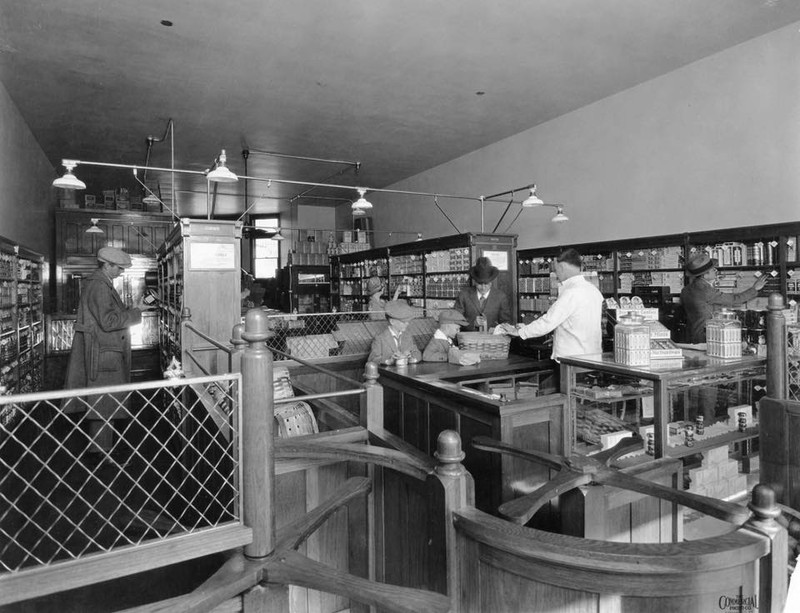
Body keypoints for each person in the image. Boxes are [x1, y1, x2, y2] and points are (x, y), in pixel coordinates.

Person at [64, 247, 148, 458]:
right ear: (107, 265)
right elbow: (109, 321)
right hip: (103, 354)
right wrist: (138, 312)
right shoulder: (99, 286)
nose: (121, 272)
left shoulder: (100, 283)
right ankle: (101, 454)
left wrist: (131, 309)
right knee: (104, 403)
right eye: (118, 268)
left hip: (103, 352)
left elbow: (108, 315)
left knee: (105, 403)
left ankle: (103, 450)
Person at [497, 248, 603, 361]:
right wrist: (557, 337)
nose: (556, 274)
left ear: (562, 267)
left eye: (556, 270)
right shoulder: (593, 290)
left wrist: (519, 332)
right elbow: (580, 323)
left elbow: (548, 322)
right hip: (593, 356)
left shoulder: (571, 293)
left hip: (572, 360)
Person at [680, 252, 767, 343]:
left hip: (691, 334)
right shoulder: (705, 290)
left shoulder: (685, 290)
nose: (716, 271)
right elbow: (734, 299)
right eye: (713, 269)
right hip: (706, 336)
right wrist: (755, 288)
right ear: (705, 275)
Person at [455, 256, 512, 332]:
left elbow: (506, 322)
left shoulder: (501, 297)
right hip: (469, 340)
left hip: (493, 341)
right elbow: (456, 320)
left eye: (486, 284)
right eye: (479, 284)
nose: (483, 287)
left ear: (491, 282)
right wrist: (473, 324)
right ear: (475, 281)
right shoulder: (464, 295)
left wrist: (498, 330)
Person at [367, 300, 422, 366]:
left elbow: (417, 353)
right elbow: (372, 360)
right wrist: (389, 361)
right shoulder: (380, 338)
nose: (407, 324)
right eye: (404, 322)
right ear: (392, 321)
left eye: (408, 321)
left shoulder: (407, 336)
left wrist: (411, 358)